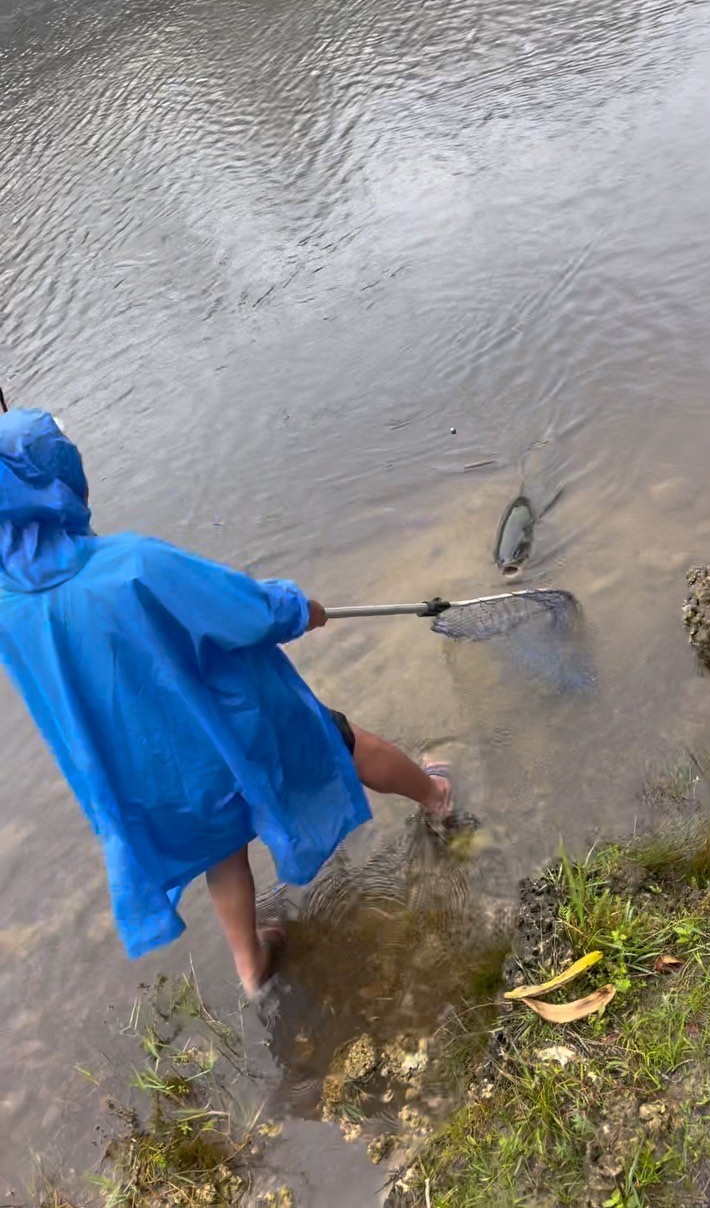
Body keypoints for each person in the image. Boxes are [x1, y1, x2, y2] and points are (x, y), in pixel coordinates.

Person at [0, 408, 452, 996]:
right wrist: (302, 609)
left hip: (153, 770)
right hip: (231, 728)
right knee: (339, 741)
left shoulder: (10, 605)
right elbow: (242, 609)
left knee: (221, 846)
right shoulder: (133, 564)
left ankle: (251, 964)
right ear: (64, 484)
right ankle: (435, 796)